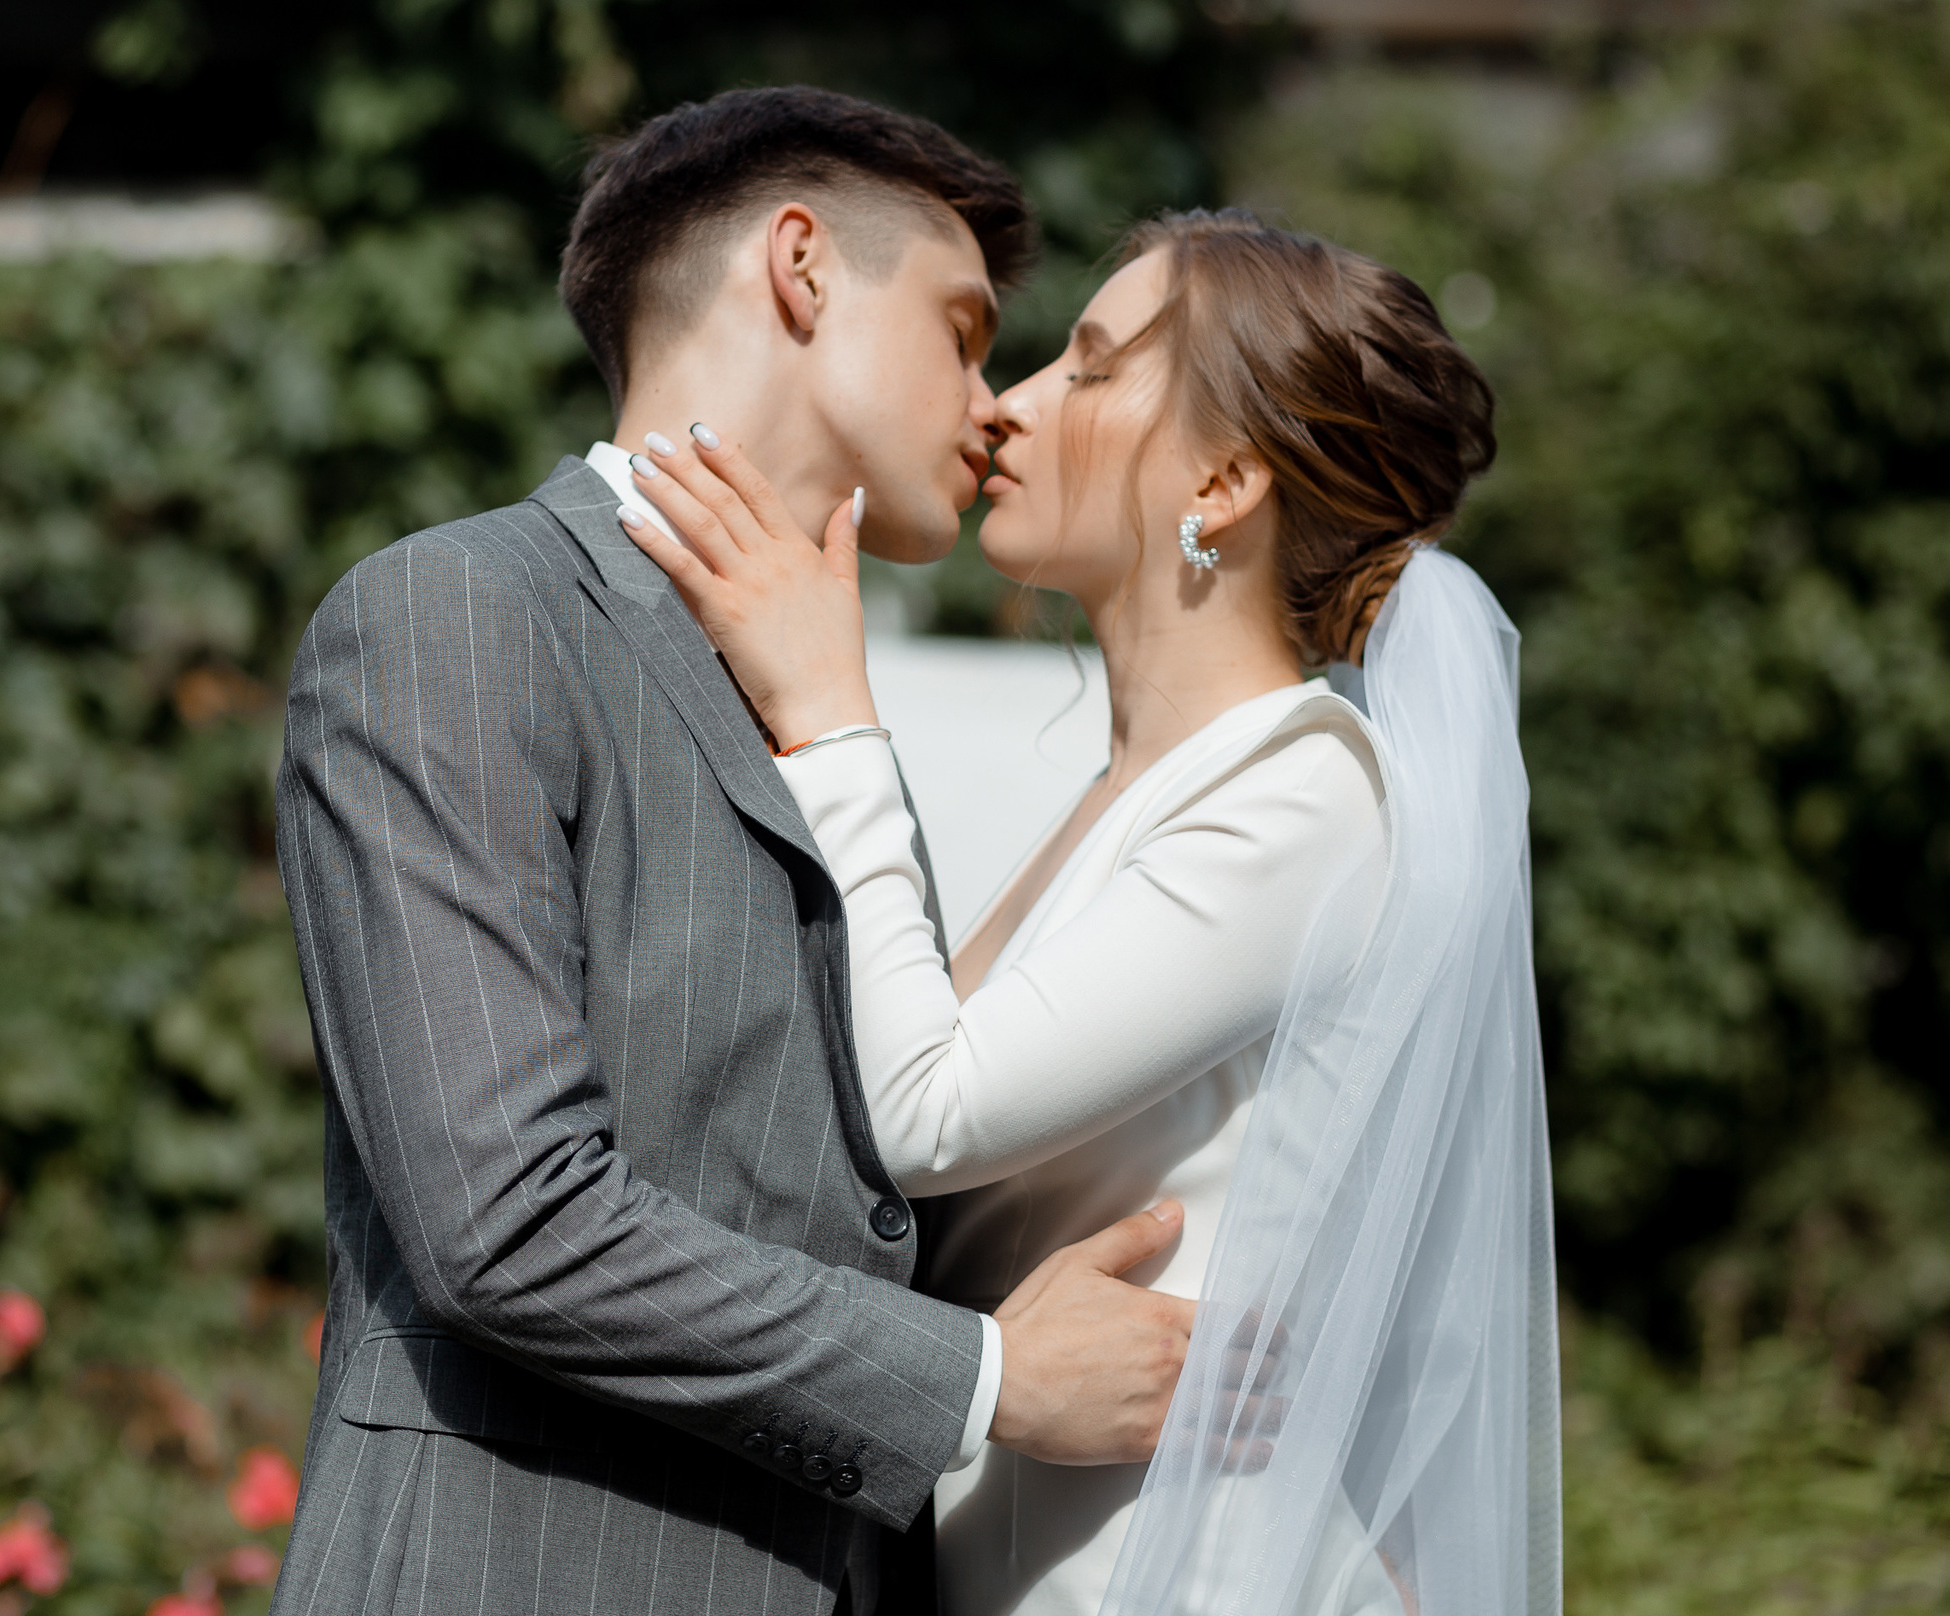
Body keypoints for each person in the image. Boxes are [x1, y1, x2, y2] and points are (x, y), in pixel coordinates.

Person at [271, 88, 1209, 1616]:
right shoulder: (453, 619)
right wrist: (985, 1379)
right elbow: (506, 1221)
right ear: (802, 267)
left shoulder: (828, 712)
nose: (995, 405)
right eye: (966, 334)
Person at [619, 209, 1561, 1615]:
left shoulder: (1302, 798)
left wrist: (828, 711)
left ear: (1227, 480)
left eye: (1095, 369)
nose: (1010, 404)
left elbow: (927, 1114)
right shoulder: (1136, 795)